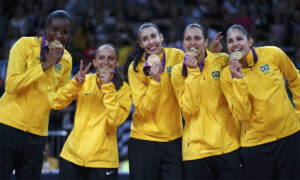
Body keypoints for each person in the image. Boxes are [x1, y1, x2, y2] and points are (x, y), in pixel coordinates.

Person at [220, 24, 300, 179]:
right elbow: (242, 114)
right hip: (255, 145)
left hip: (289, 136)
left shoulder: (273, 54)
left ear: (250, 41)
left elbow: (295, 79)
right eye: (230, 41)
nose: (235, 44)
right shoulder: (226, 76)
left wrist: (298, 113)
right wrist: (238, 80)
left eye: (239, 39)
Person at [0, 10, 72, 179]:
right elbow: (11, 85)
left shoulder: (67, 59)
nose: (59, 36)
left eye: (64, 32)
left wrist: (75, 88)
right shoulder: (24, 45)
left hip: (37, 134)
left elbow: (58, 101)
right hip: (8, 126)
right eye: (54, 29)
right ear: (46, 27)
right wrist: (45, 65)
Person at [49, 44, 131, 180]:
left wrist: (108, 87)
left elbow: (115, 120)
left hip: (103, 161)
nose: (106, 62)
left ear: (117, 62)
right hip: (72, 156)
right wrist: (74, 84)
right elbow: (55, 103)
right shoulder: (84, 81)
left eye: (111, 58)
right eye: (102, 58)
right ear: (94, 62)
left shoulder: (124, 89)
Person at [171, 23, 241, 179]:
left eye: (197, 38)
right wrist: (193, 72)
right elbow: (189, 110)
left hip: (227, 146)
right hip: (196, 151)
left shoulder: (222, 60)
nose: (192, 43)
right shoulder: (177, 72)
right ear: (183, 44)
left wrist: (211, 55)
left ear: (205, 42)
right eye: (188, 39)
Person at [126, 22, 185, 179]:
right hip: (144, 141)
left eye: (153, 36)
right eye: (145, 39)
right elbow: (144, 110)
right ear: (140, 44)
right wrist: (156, 80)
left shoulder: (178, 56)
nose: (150, 42)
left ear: (161, 37)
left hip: (174, 140)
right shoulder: (135, 68)